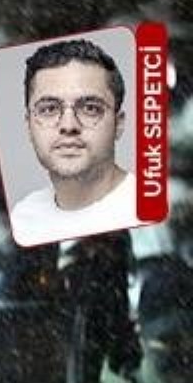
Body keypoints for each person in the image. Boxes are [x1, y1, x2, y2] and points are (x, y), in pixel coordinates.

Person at [8, 38, 140, 246]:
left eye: (90, 108)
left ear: (119, 124)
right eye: (49, 109)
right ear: (29, 126)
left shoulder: (146, 212)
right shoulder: (24, 218)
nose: (68, 125)